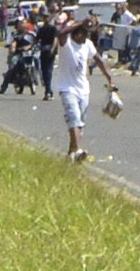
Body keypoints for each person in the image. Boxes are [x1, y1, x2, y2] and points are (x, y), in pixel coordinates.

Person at [48, 10, 117, 162]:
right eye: (83, 34)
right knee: (74, 117)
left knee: (80, 122)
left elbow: (98, 59)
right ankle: (78, 150)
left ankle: (71, 153)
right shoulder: (66, 44)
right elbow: (60, 33)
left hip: (83, 89)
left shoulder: (87, 44)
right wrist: (80, 23)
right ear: (76, 33)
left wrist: (109, 76)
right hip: (67, 88)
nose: (85, 37)